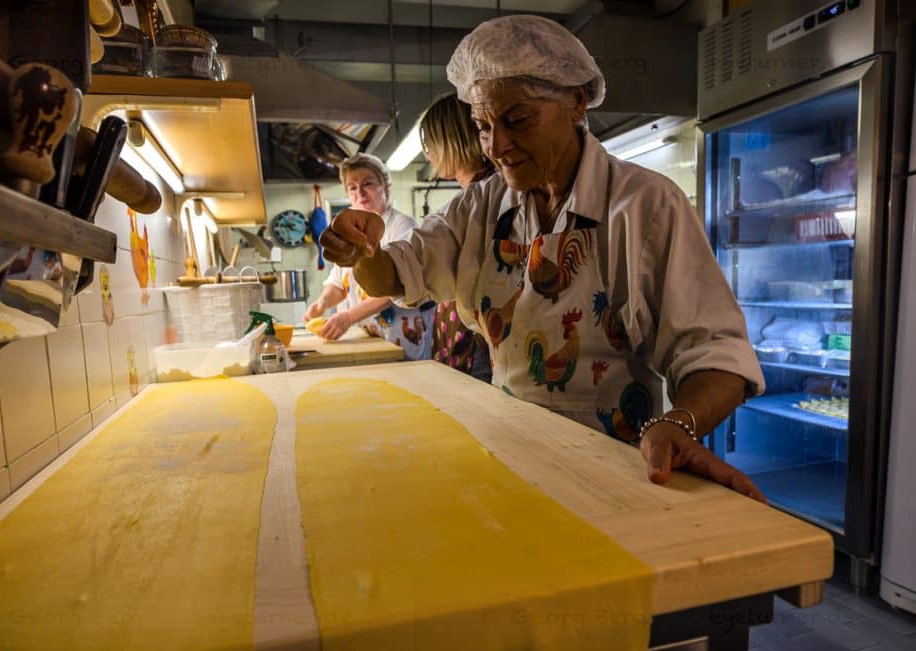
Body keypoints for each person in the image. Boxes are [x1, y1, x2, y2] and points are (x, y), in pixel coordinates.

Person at [319, 15, 767, 501]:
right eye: (483, 126)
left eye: (517, 121)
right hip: (510, 456)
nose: (497, 147)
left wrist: (677, 423)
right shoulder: (483, 206)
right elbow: (400, 270)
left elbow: (716, 353)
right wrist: (361, 248)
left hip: (619, 472)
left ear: (576, 101)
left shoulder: (644, 205)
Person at [303, 153, 434, 359]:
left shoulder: (402, 226)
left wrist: (347, 318)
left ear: (385, 186)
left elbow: (393, 285)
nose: (360, 193)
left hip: (401, 338)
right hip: (366, 337)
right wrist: (321, 304)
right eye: (352, 187)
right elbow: (339, 283)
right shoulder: (348, 231)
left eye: (368, 184)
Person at [420, 93, 493, 382]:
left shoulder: (486, 196)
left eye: (430, 144)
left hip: (478, 347)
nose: (428, 154)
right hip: (466, 345)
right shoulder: (472, 196)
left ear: (452, 140)